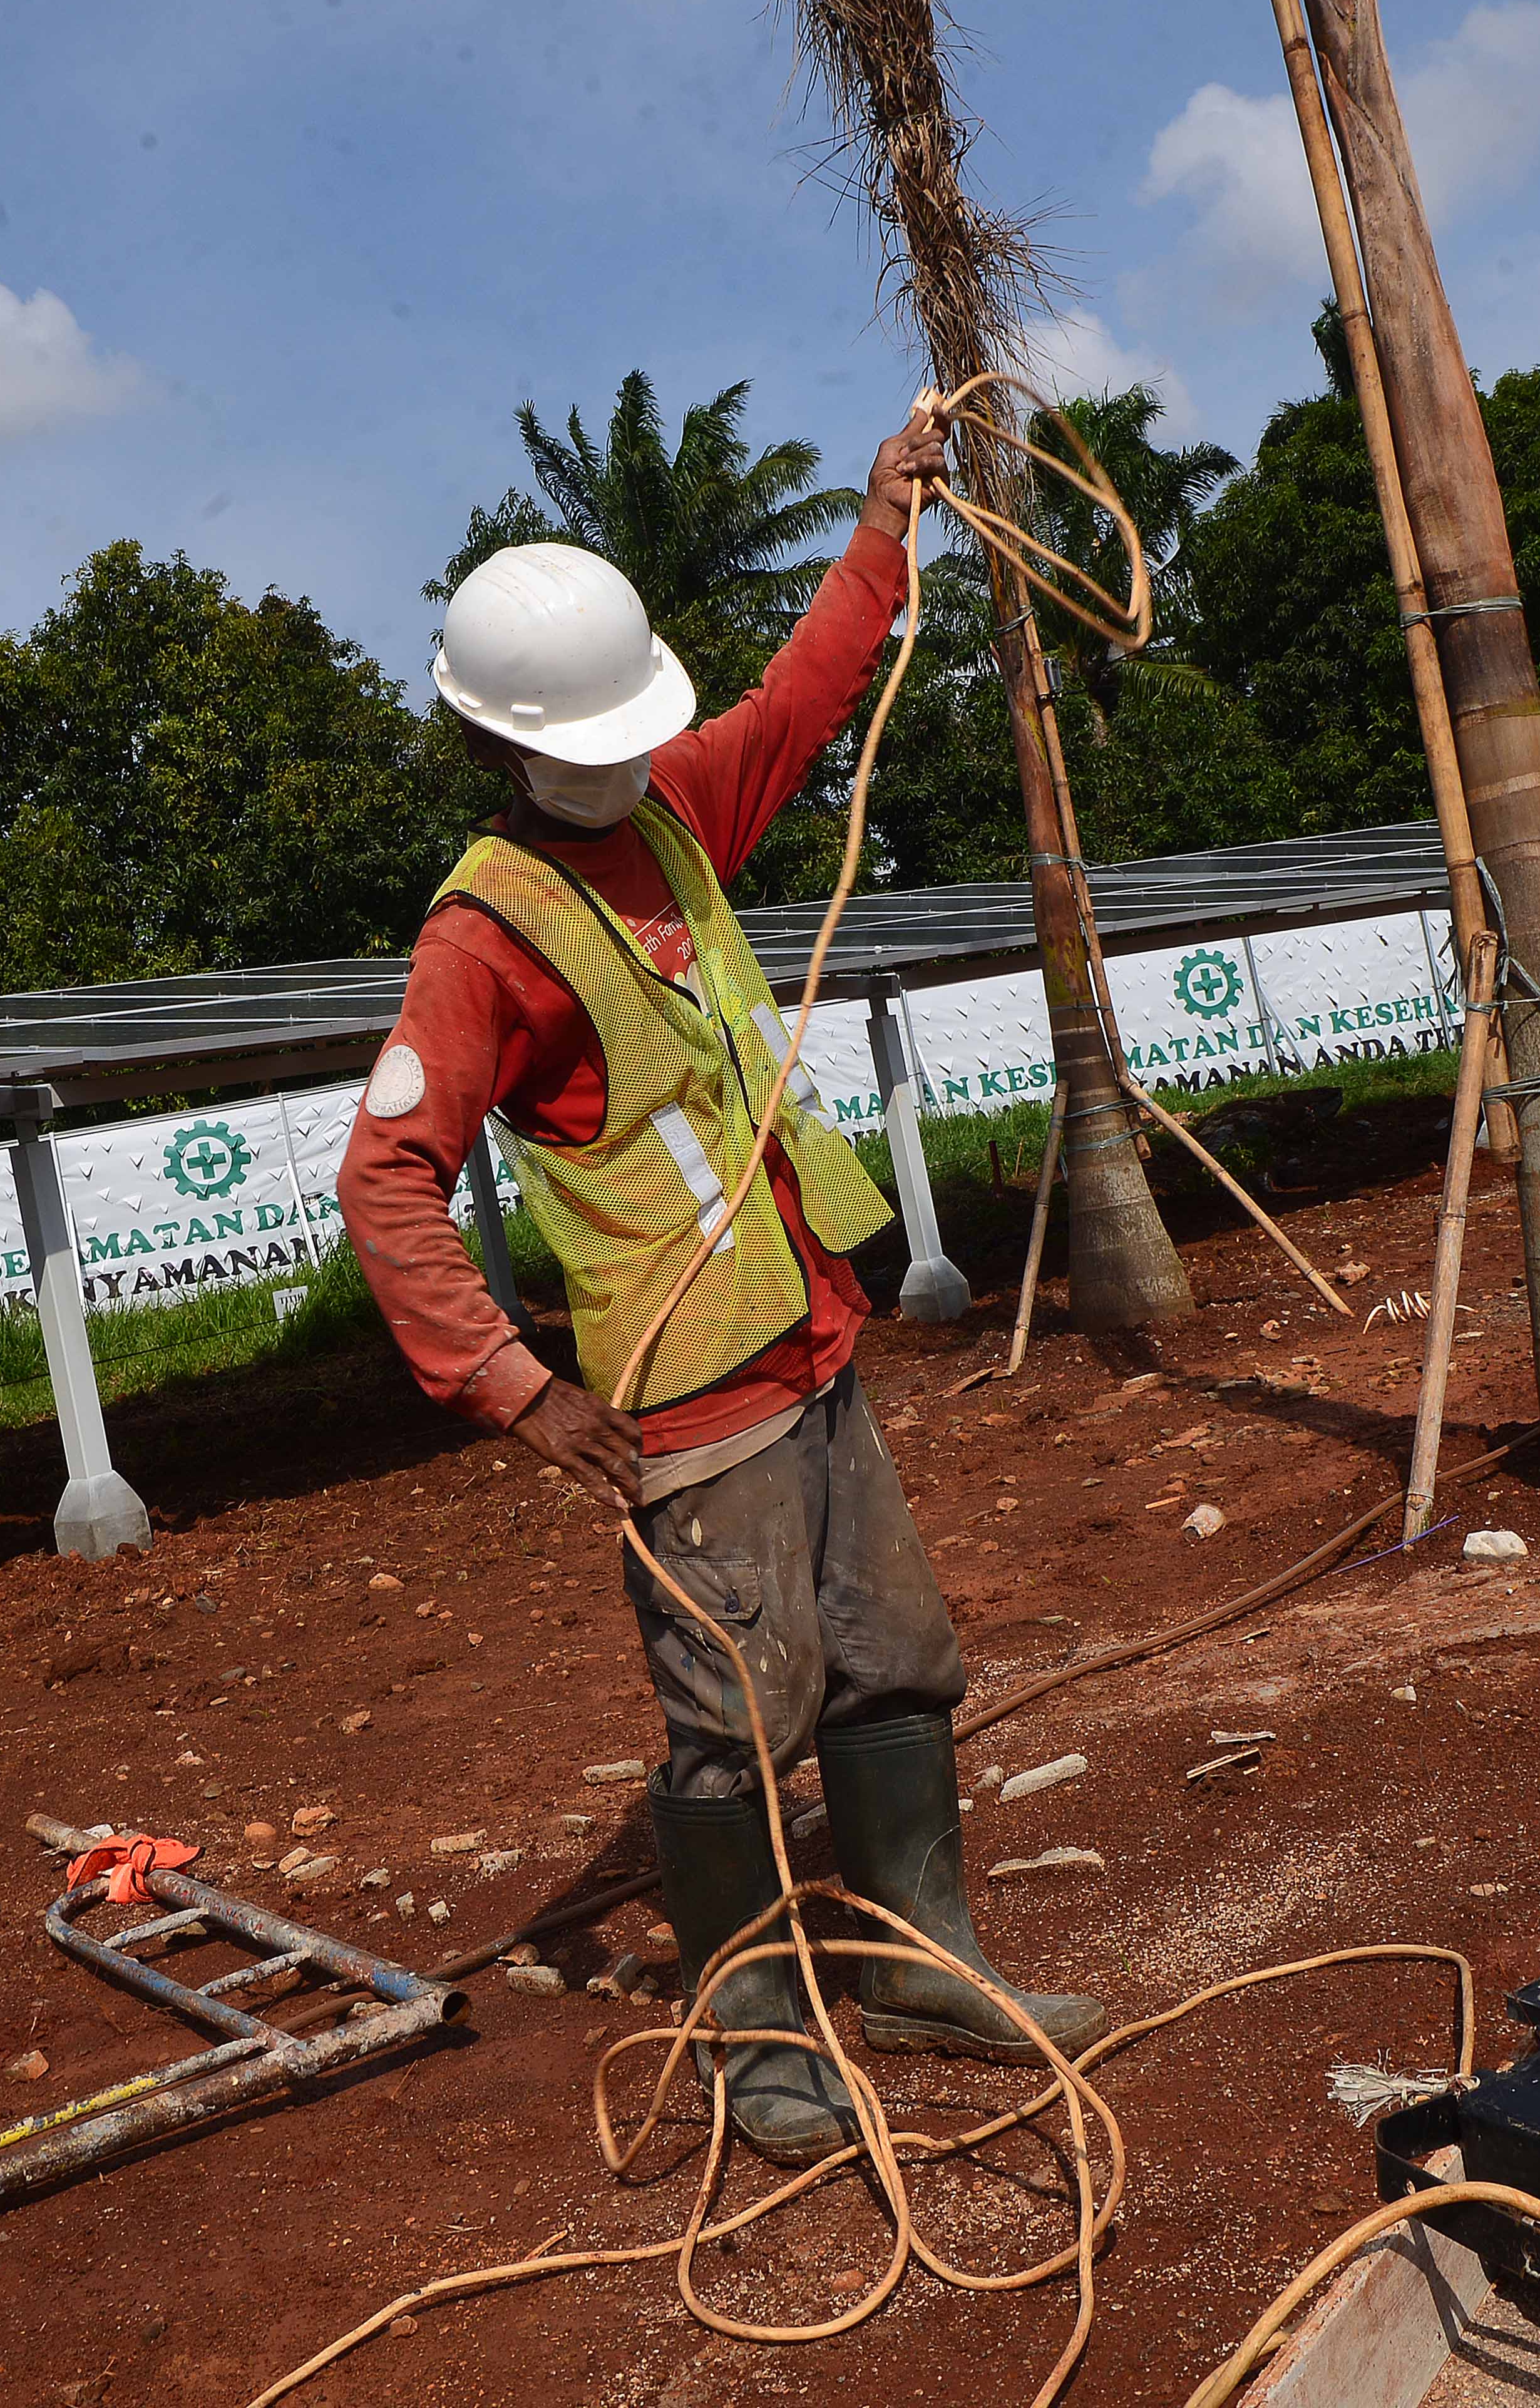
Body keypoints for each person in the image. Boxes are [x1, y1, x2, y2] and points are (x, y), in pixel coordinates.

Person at [336, 407, 1103, 2164]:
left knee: (896, 1663)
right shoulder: (484, 937)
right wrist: (514, 1384)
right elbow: (387, 1181)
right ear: (492, 740)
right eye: (585, 747)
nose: (621, 767)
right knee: (739, 1727)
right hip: (686, 1401)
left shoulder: (679, 809)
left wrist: (881, 527)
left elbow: (803, 701)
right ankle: (759, 2041)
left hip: (811, 1337)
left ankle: (921, 1964)